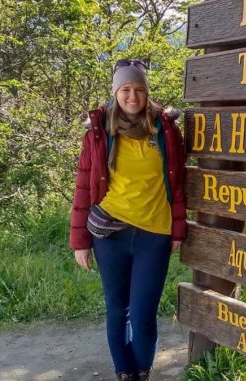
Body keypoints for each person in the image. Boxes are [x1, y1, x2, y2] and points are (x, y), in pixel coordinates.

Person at [69, 59, 187, 381]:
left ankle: (142, 372)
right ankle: (125, 373)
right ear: (115, 92)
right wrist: (80, 242)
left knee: (144, 314)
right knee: (116, 310)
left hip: (155, 235)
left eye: (138, 89)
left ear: (146, 92)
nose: (132, 96)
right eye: (125, 89)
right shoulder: (98, 131)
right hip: (110, 234)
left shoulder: (165, 130)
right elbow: (83, 186)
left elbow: (177, 184)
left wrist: (177, 230)